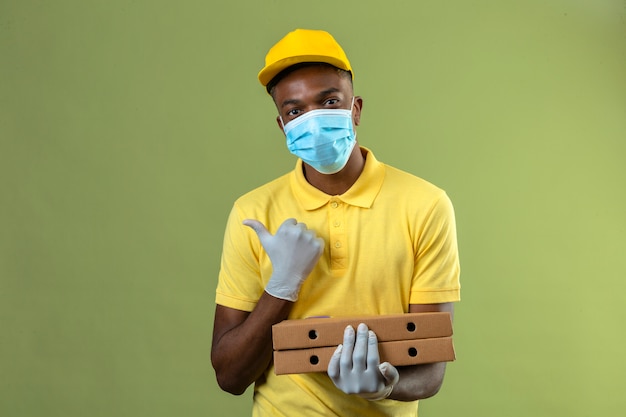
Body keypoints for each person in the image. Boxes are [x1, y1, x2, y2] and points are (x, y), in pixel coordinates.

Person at [211, 28, 461, 416]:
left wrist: (384, 386)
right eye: (295, 111)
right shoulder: (252, 213)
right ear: (282, 126)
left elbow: (431, 368)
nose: (312, 121)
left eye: (328, 102)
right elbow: (229, 376)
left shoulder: (425, 205)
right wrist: (283, 284)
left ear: (355, 109)